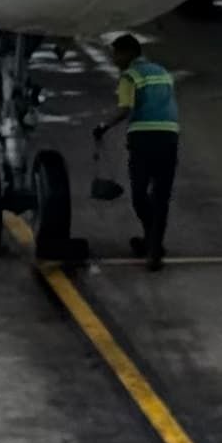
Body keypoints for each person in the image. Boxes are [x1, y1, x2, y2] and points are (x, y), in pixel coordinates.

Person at [95, 35, 178, 271]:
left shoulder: (130, 76)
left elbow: (125, 108)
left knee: (140, 194)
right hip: (169, 136)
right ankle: (153, 246)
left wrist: (103, 127)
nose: (114, 59)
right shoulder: (162, 72)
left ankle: (152, 244)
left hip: (144, 137)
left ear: (128, 53)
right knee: (161, 196)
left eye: (116, 54)